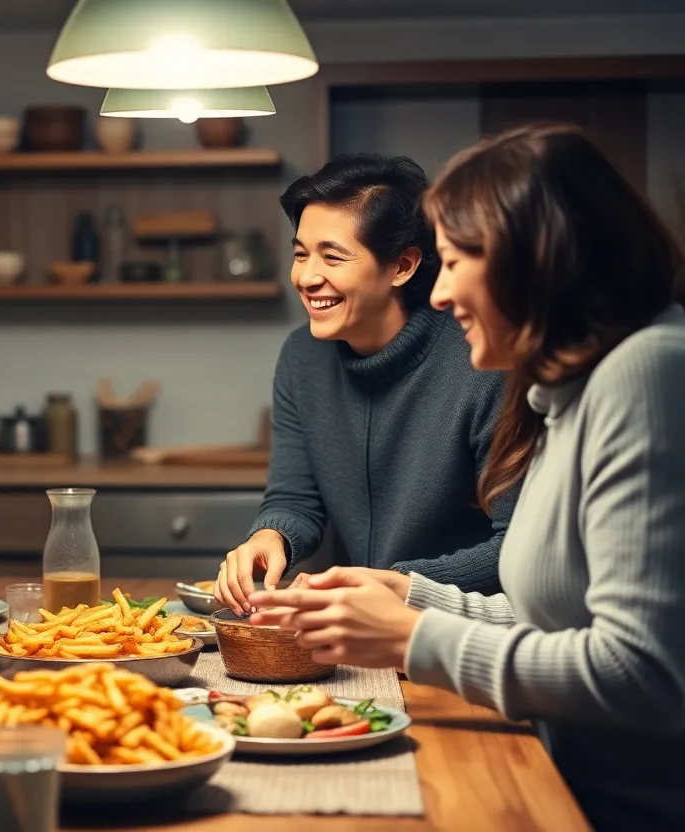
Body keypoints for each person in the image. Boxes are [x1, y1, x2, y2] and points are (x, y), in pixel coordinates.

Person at [248, 123, 685, 830]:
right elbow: (558, 617)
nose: (442, 295)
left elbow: (643, 676)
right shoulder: (571, 392)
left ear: (534, 260)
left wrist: (411, 637)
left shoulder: (646, 372)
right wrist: (408, 592)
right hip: (562, 776)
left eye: (456, 263)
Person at [215, 154, 516, 614]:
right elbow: (295, 496)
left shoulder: (483, 360)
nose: (308, 277)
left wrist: (395, 585)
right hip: (365, 631)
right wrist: (270, 534)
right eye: (300, 254)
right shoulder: (302, 357)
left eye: (333, 257)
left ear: (403, 266)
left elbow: (517, 549)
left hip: (467, 634)